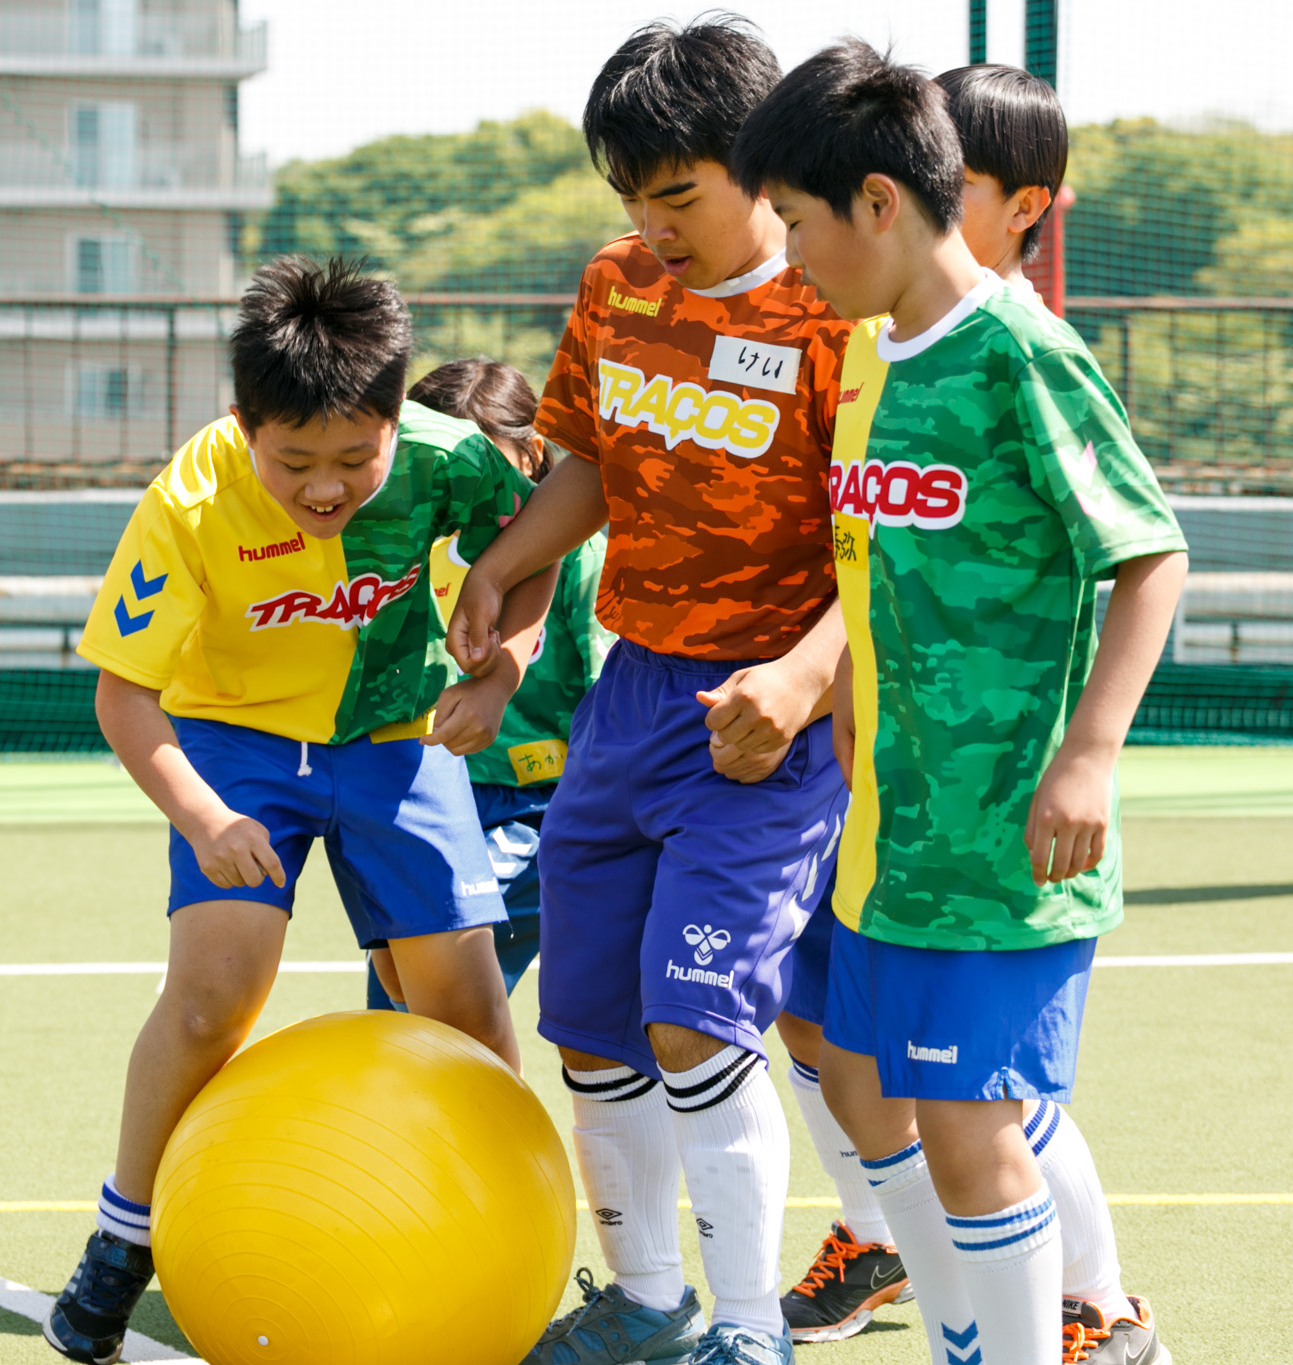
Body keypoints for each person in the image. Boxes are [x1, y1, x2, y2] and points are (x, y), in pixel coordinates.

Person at [733, 38, 1187, 1365]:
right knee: (907, 1116)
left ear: (880, 202)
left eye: (800, 224)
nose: (793, 255)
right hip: (890, 843)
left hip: (1004, 847)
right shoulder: (873, 356)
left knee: (978, 1134)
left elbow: (1150, 551)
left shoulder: (1018, 352)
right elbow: (872, 580)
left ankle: (1071, 1336)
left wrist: (1090, 754)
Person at [44, 258, 554, 1365]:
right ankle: (122, 1237)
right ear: (243, 425)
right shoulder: (189, 498)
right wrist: (202, 817)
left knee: (466, 1014)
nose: (325, 489)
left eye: (353, 460)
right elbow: (123, 695)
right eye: (294, 463)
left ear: (394, 418)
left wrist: (503, 669)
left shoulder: (449, 457)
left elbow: (533, 555)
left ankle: (523, 1238)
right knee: (210, 1002)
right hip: (238, 752)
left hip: (390, 742)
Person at [448, 18, 853, 1365]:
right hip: (629, 699)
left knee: (697, 1015)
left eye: (676, 194)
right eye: (631, 197)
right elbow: (590, 465)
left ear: (760, 171)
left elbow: (896, 545)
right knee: (596, 1019)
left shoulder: (837, 319)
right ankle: (647, 1299)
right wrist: (504, 568)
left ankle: (750, 1331)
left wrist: (801, 680)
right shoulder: (618, 285)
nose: (650, 223)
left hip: (765, 726)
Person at [366, 358, 611, 1010]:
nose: (460, 482)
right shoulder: (405, 540)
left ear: (532, 454)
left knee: (443, 1008)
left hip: (532, 809)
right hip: (417, 799)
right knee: (403, 1010)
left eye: (480, 460)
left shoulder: (582, 555)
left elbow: (606, 699)